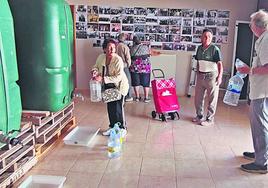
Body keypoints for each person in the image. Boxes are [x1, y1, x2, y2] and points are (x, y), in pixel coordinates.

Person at [237, 10, 268, 174]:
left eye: (251, 24)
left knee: (260, 125)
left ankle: (262, 162)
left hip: (263, 92)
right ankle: (260, 153)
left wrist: (249, 70)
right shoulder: (263, 39)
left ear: (257, 25)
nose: (250, 27)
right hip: (260, 90)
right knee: (259, 124)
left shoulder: (267, 39)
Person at [92, 39, 129, 136]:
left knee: (118, 108)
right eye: (109, 48)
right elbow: (95, 66)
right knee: (110, 107)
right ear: (104, 49)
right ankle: (112, 127)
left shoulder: (118, 60)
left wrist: (103, 79)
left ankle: (122, 128)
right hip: (108, 86)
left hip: (119, 86)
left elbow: (119, 77)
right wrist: (94, 71)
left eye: (113, 48)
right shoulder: (101, 57)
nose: (111, 50)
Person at [192, 28, 223, 126]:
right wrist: (197, 72)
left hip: (211, 76)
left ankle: (209, 119)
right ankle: (199, 116)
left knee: (212, 99)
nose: (207, 38)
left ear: (211, 38)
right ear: (201, 37)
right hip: (201, 75)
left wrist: (220, 77)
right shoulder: (199, 48)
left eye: (209, 36)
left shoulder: (215, 49)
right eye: (205, 36)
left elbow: (220, 64)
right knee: (198, 98)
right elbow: (197, 61)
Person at [130, 36, 151, 103]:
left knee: (136, 83)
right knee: (146, 83)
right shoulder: (145, 47)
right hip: (145, 68)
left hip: (135, 67)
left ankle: (137, 97)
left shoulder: (132, 48)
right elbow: (149, 54)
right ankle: (146, 98)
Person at [116, 33, 133, 102]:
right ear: (124, 39)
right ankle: (128, 96)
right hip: (124, 66)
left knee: (118, 81)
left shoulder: (115, 46)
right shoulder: (124, 47)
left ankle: (119, 95)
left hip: (117, 66)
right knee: (127, 81)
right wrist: (129, 65)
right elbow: (128, 58)